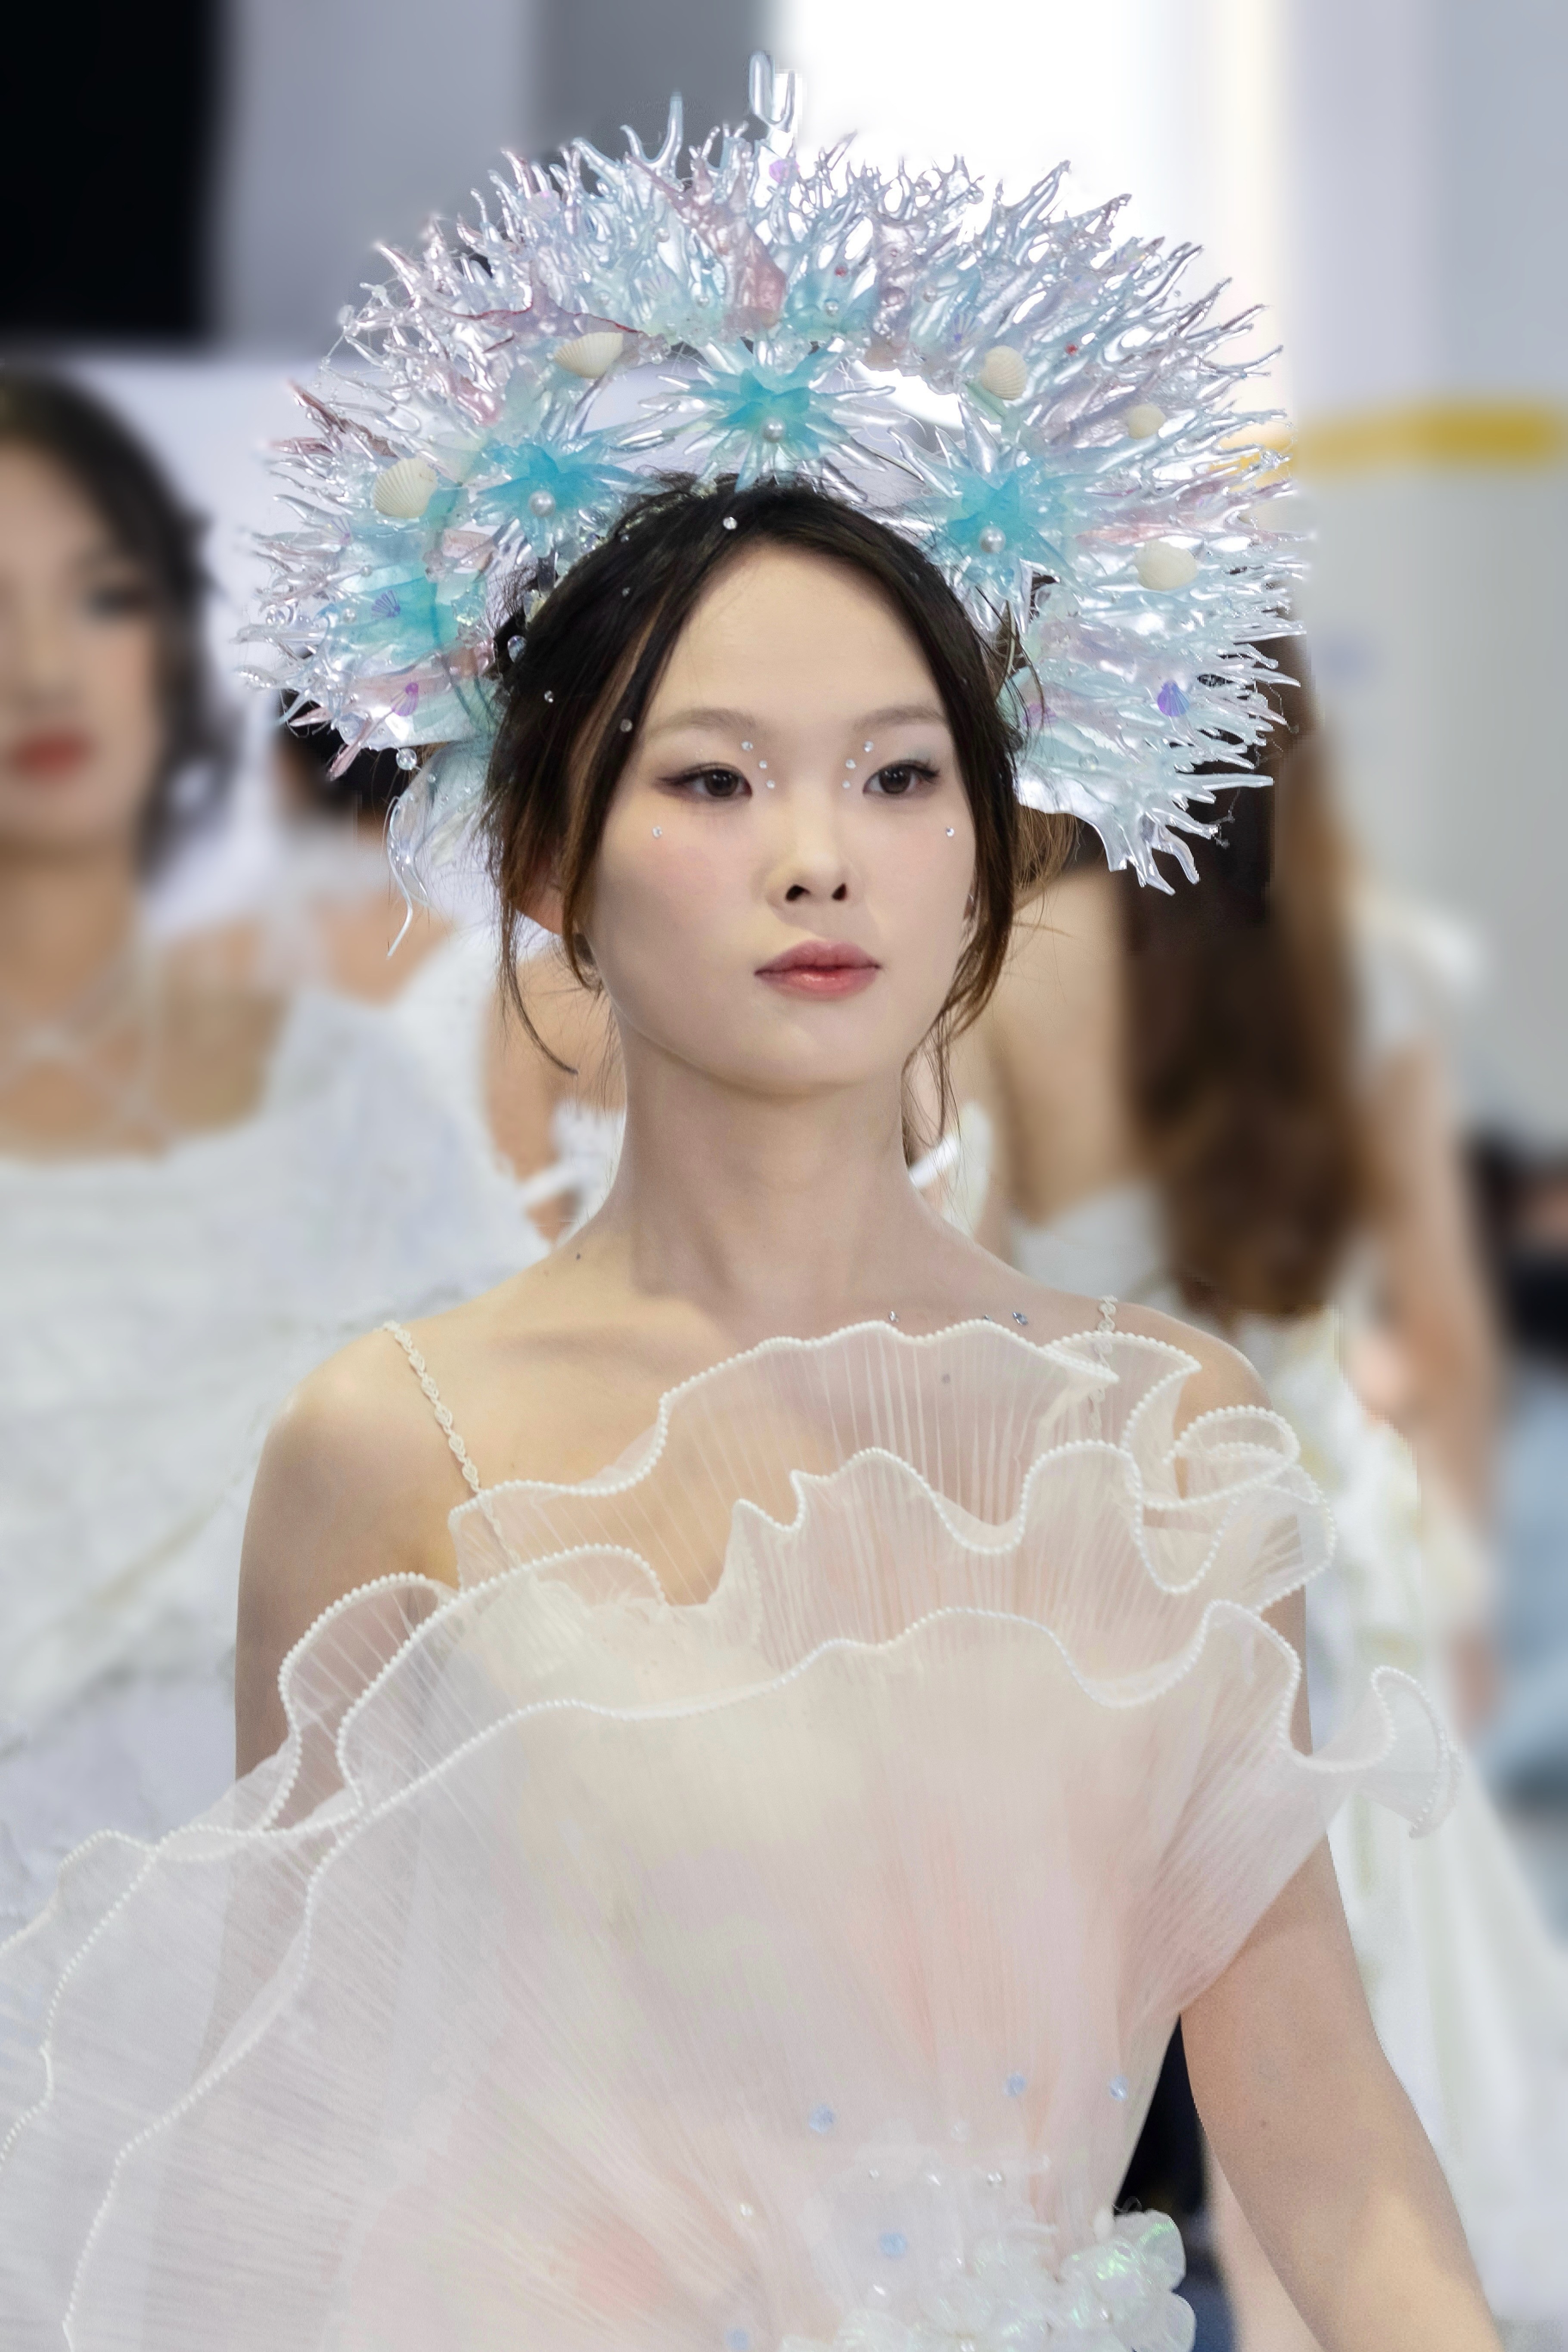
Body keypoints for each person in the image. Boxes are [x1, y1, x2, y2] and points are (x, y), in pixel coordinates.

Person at [0, 72, 1499, 2351]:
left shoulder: (1161, 1434)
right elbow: (303, 2140)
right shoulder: (396, 1444)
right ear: (550, 859)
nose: (817, 856)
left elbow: (1314, 2109)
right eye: (711, 778)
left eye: (896, 777)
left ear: (983, 847)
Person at [953, 664, 1568, 2341]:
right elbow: (1439, 1349)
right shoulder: (1365, 968)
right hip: (1339, 1561)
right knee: (1359, 2022)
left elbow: (965, 1337)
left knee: (1157, 2058)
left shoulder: (998, 976)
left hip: (1110, 1580)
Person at [0, 371, 552, 1933]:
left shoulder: (346, 1095)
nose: (45, 667)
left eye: (103, 596)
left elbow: (518, 1534)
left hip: (301, 1964)